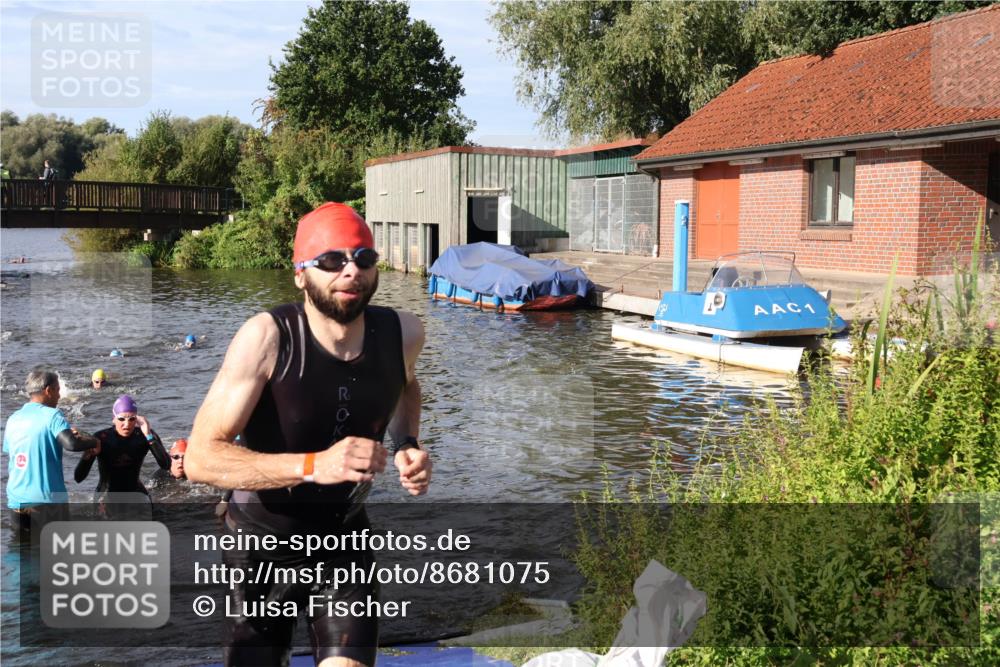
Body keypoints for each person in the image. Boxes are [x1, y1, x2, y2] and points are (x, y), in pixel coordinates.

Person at [186, 202, 431, 667]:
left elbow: (406, 385)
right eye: (331, 261)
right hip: (258, 547)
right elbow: (201, 458)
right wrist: (315, 465)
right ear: (300, 273)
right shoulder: (266, 338)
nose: (350, 271)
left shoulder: (404, 333)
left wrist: (408, 445)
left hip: (344, 543)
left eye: (363, 258)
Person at [3, 369, 100, 540]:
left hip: (16, 501)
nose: (59, 395)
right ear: (48, 390)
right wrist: (94, 442)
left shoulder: (13, 419)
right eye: (57, 390)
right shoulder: (52, 415)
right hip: (47, 501)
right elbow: (72, 444)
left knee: (23, 557)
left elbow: (18, 452)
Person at [74, 395, 170, 502]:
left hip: (135, 491)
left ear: (137, 419)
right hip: (106, 494)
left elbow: (166, 465)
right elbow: (78, 477)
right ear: (114, 419)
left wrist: (148, 436)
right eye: (121, 419)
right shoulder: (101, 438)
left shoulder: (145, 435)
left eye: (132, 419)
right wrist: (89, 454)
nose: (127, 424)